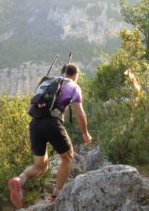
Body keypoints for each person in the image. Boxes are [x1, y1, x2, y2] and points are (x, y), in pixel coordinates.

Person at [8, 64, 92, 208]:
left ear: (62, 72)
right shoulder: (73, 86)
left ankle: (19, 180)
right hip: (52, 123)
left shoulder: (47, 82)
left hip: (35, 124)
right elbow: (79, 113)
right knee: (68, 157)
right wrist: (85, 133)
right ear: (75, 75)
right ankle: (56, 196)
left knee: (41, 165)